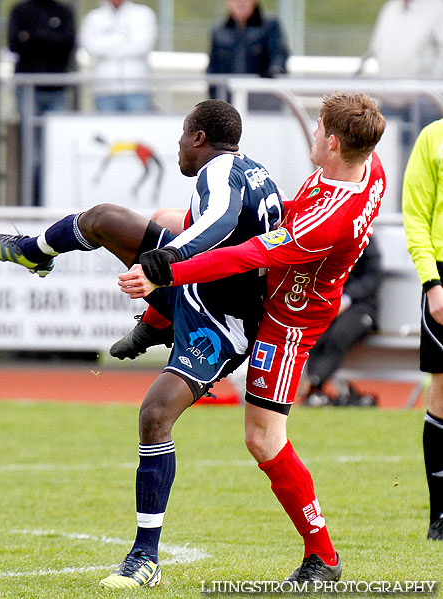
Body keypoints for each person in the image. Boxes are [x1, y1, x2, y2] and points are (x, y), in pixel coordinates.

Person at [0, 99, 286, 588]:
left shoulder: (219, 171)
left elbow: (221, 222)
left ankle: (145, 558)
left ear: (199, 137)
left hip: (221, 326)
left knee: (155, 414)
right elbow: (226, 231)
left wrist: (160, 265)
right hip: (198, 290)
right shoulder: (254, 169)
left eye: (183, 133)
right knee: (103, 218)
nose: (178, 144)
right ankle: (35, 251)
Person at [119, 92, 386, 584]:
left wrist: (168, 272)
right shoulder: (366, 165)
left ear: (331, 141)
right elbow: (286, 219)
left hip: (287, 320)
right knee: (162, 218)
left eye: (317, 127)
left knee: (262, 438)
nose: (311, 133)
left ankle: (322, 558)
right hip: (287, 284)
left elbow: (249, 256)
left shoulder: (330, 219)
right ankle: (156, 324)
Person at [402, 117, 443, 541]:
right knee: (442, 395)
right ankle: (440, 516)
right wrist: (432, 283)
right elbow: (415, 215)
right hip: (442, 279)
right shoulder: (433, 138)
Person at [8, 0, 76, 205]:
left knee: (57, 150)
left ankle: (56, 201)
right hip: (28, 90)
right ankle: (34, 203)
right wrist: (50, 38)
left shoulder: (63, 11)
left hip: (57, 89)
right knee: (33, 152)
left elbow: (68, 44)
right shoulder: (20, 11)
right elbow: (14, 44)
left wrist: (34, 36)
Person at [302, 236, 382, 407]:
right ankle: (316, 389)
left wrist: (346, 299)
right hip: (331, 304)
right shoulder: (329, 240)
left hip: (362, 308)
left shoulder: (367, 240)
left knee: (339, 335)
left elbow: (372, 278)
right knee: (316, 335)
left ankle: (314, 382)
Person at [360, 0, 443, 144]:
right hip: (389, 103)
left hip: (426, 106)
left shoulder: (437, 8)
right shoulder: (391, 8)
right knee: (389, 157)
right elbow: (377, 49)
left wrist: (429, 87)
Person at [207, 0, 289, 109]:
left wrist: (273, 74)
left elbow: (279, 55)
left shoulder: (269, 26)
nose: (240, 3)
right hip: (228, 104)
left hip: (262, 104)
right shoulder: (219, 31)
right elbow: (213, 69)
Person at [79, 0, 158, 112]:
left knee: (138, 128)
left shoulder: (143, 13)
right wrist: (124, 38)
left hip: (137, 87)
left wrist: (106, 42)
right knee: (107, 128)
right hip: (104, 89)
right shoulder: (93, 17)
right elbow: (91, 47)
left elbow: (143, 45)